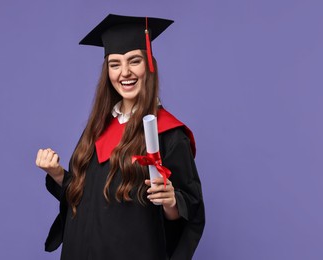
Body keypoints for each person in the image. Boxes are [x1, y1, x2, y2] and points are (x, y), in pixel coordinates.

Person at [35, 14, 205, 260]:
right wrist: (58, 174)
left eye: (134, 61)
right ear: (107, 72)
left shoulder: (168, 133)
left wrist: (171, 200)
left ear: (148, 64)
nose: (124, 72)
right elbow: (84, 198)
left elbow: (189, 211)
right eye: (115, 64)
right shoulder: (96, 128)